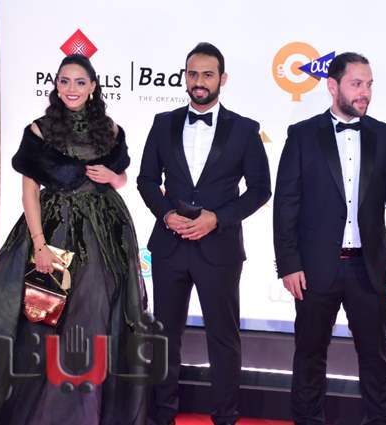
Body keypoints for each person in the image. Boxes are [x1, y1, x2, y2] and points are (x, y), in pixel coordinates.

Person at [0, 54, 149, 424]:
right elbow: (29, 191)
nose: (71, 89)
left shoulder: (111, 129)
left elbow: (122, 178)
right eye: (64, 81)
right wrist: (39, 244)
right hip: (55, 229)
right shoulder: (39, 130)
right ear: (56, 85)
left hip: (106, 234)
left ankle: (84, 410)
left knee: (95, 318)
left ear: (93, 86)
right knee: (44, 321)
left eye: (79, 82)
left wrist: (113, 177)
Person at [273, 52, 386, 425]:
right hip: (314, 269)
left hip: (369, 269)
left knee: (375, 358)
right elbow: (286, 203)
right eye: (356, 84)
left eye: (369, 84)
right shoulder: (302, 135)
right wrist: (288, 263)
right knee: (309, 356)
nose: (364, 92)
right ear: (332, 86)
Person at [137, 42, 271, 425]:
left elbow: (260, 190)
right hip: (170, 247)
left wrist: (218, 218)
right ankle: (161, 416)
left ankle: (225, 417)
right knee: (165, 338)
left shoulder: (244, 129)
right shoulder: (163, 123)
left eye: (207, 74)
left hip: (219, 249)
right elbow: (147, 180)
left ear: (222, 79)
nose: (199, 81)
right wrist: (166, 215)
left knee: (223, 340)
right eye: (193, 74)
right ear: (185, 77)